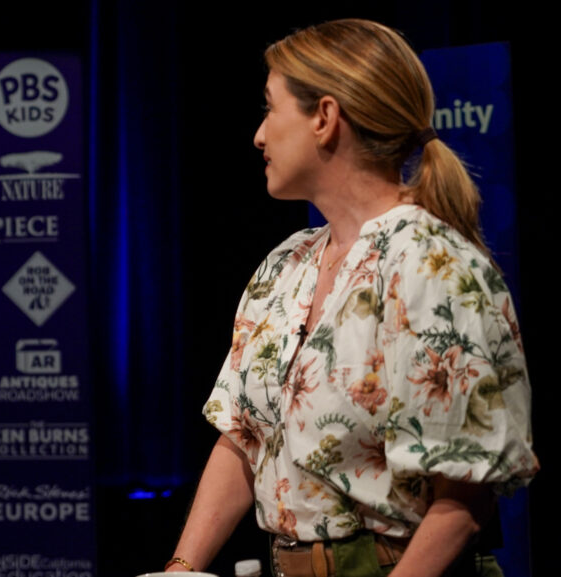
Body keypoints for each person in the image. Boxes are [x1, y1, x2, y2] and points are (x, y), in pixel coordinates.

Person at [166, 19, 536, 577]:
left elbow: (464, 497)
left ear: (325, 118)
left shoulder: (428, 263)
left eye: (270, 109)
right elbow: (243, 436)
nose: (259, 136)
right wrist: (181, 568)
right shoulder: (286, 265)